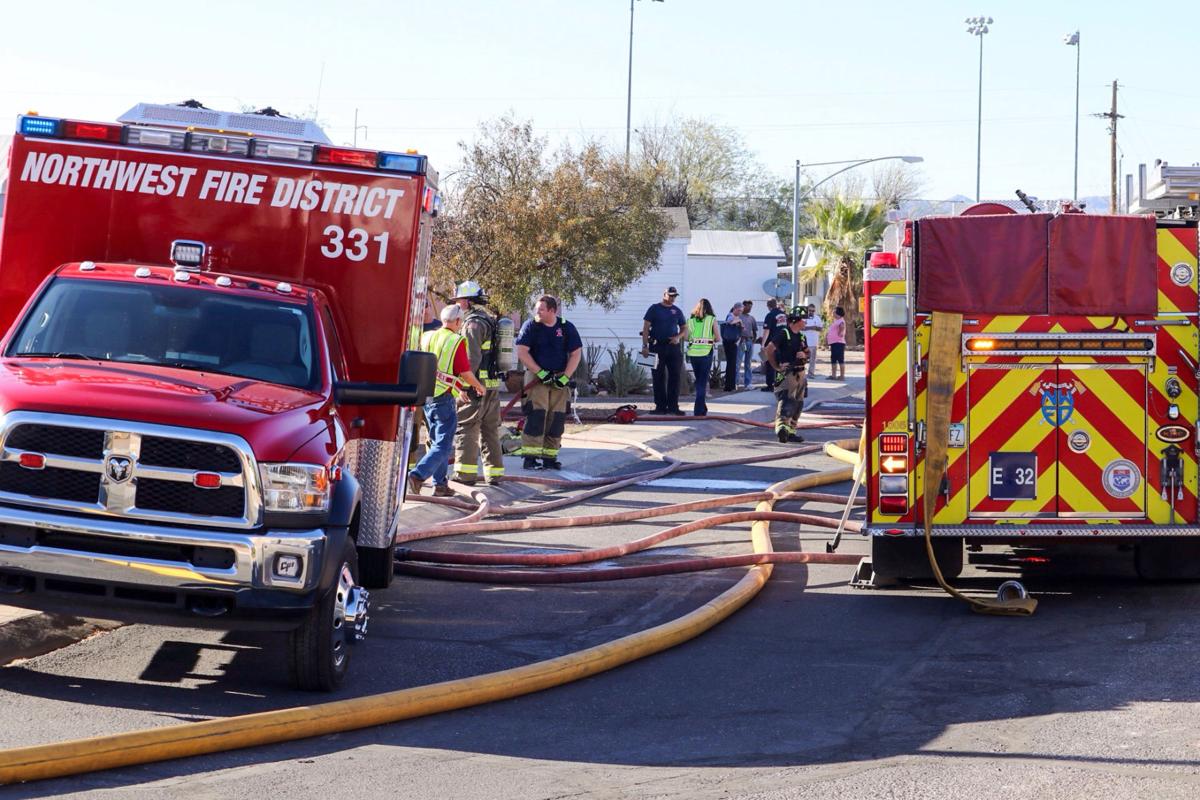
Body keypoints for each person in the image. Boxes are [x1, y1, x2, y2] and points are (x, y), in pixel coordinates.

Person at [408, 305, 486, 497]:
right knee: (443, 445)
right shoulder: (455, 340)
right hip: (443, 398)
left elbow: (437, 369)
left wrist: (458, 388)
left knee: (437, 442)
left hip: (428, 396)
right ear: (458, 321)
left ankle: (440, 485)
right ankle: (417, 475)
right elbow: (465, 372)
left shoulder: (428, 336)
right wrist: (478, 386)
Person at [515, 294, 583, 470]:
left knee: (557, 418)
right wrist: (540, 372)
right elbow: (522, 351)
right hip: (536, 378)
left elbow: (576, 353)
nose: (537, 312)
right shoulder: (531, 326)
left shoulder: (566, 327)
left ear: (553, 311)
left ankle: (550, 457)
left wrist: (565, 376)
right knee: (536, 415)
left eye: (541, 310)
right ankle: (530, 457)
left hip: (559, 378)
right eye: (536, 309)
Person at [451, 280, 505, 486]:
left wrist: (464, 386)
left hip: (476, 385)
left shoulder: (472, 324)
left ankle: (464, 475)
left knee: (467, 427)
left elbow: (470, 359)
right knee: (490, 429)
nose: (457, 305)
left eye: (458, 301)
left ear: (466, 301)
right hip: (491, 384)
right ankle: (495, 474)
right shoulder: (489, 319)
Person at [763, 306, 810, 444]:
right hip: (788, 374)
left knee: (798, 404)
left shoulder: (802, 336)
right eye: (804, 320)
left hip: (800, 373)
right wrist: (776, 367)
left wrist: (804, 355)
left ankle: (791, 431)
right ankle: (782, 429)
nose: (806, 322)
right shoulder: (784, 333)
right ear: (795, 321)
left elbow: (808, 353)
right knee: (787, 402)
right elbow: (769, 349)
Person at [641, 287, 686, 414]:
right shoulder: (654, 309)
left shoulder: (677, 311)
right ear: (664, 294)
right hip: (656, 346)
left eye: (674, 296)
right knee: (658, 377)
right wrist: (645, 346)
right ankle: (660, 407)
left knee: (675, 376)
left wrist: (678, 337)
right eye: (670, 295)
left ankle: (673, 407)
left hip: (673, 347)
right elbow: (646, 328)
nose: (672, 298)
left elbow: (684, 328)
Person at [683, 298, 717, 417]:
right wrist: (710, 339)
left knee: (699, 381)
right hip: (706, 353)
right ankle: (698, 410)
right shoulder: (712, 320)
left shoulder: (690, 321)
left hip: (693, 354)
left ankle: (703, 408)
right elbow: (718, 338)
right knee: (702, 382)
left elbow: (686, 338)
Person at [760, 299, 783, 392]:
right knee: (780, 364)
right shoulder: (783, 315)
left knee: (770, 364)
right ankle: (780, 384)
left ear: (768, 306)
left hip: (772, 343)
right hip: (782, 343)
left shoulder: (770, 315)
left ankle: (770, 385)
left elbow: (767, 330)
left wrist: (762, 344)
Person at [721, 302, 743, 391]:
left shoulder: (736, 317)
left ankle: (731, 385)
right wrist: (739, 321)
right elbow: (729, 322)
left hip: (734, 342)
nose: (740, 312)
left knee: (732, 364)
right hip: (729, 342)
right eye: (739, 310)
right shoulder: (730, 315)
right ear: (734, 309)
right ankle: (729, 386)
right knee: (731, 363)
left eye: (741, 311)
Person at [738, 299, 758, 390]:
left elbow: (755, 330)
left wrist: (753, 341)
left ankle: (748, 383)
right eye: (748, 306)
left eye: (751, 307)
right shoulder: (738, 317)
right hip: (741, 341)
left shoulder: (751, 318)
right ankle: (736, 383)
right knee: (738, 363)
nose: (750, 308)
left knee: (748, 363)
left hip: (750, 341)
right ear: (743, 306)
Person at [827, 305, 847, 381]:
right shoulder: (836, 320)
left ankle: (842, 376)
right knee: (833, 359)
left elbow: (842, 327)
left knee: (840, 359)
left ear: (838, 313)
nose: (833, 313)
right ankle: (833, 375)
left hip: (838, 342)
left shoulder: (841, 321)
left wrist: (840, 333)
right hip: (834, 342)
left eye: (834, 312)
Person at [803, 303, 822, 379]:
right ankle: (802, 374)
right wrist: (811, 327)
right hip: (804, 342)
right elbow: (801, 328)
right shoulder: (803, 318)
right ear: (807, 310)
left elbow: (820, 328)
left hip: (813, 342)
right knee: (802, 358)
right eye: (810, 310)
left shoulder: (817, 318)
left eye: (813, 311)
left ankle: (811, 373)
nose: (811, 312)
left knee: (812, 359)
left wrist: (815, 328)